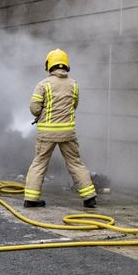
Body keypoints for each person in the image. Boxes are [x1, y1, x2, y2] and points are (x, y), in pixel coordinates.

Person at [23, 48, 97, 208]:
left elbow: (34, 109)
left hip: (47, 133)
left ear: (49, 64)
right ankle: (90, 198)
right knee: (75, 163)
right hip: (68, 133)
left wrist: (44, 111)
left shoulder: (43, 85)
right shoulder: (74, 84)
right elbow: (74, 105)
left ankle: (31, 199)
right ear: (65, 65)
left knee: (39, 163)